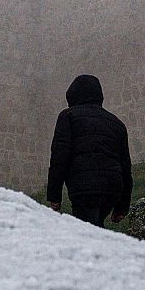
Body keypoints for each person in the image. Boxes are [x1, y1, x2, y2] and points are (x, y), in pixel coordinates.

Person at [45, 74, 132, 227]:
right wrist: (122, 207)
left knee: (87, 231)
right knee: (95, 227)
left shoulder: (68, 116)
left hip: (84, 187)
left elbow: (59, 157)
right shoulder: (117, 124)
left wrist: (54, 196)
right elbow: (125, 168)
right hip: (112, 187)